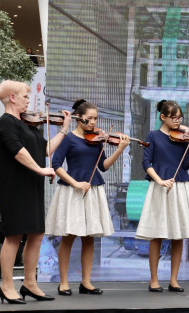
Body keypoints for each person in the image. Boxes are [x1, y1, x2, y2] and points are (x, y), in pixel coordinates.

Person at [0, 80, 70, 304]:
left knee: (36, 234)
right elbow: (18, 151)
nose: (29, 100)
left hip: (32, 184)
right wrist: (40, 169)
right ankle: (6, 286)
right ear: (12, 97)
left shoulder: (28, 125)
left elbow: (46, 150)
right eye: (25, 96)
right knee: (14, 235)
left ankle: (29, 283)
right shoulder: (5, 123)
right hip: (15, 186)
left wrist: (64, 129)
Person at [45, 99, 129, 296]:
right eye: (89, 118)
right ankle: (63, 282)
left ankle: (86, 282)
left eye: (95, 118)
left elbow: (103, 166)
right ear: (78, 118)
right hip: (72, 190)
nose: (93, 122)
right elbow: (56, 165)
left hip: (92, 189)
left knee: (89, 238)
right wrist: (75, 183)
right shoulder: (69, 138)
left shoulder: (97, 139)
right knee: (68, 237)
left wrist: (119, 150)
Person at [135, 100, 189, 293]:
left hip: (180, 187)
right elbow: (146, 162)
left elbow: (186, 164)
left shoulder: (183, 138)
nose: (178, 121)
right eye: (174, 117)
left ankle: (174, 280)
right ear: (163, 117)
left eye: (180, 118)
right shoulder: (153, 136)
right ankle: (154, 280)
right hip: (160, 187)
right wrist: (159, 181)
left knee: (179, 235)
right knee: (157, 235)